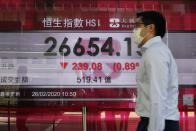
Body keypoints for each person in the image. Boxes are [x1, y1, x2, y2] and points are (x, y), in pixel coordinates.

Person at [133, 11, 179, 131]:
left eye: (138, 26)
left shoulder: (155, 53)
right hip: (157, 121)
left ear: (151, 28)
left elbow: (158, 97)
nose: (134, 30)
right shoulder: (154, 51)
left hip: (159, 122)